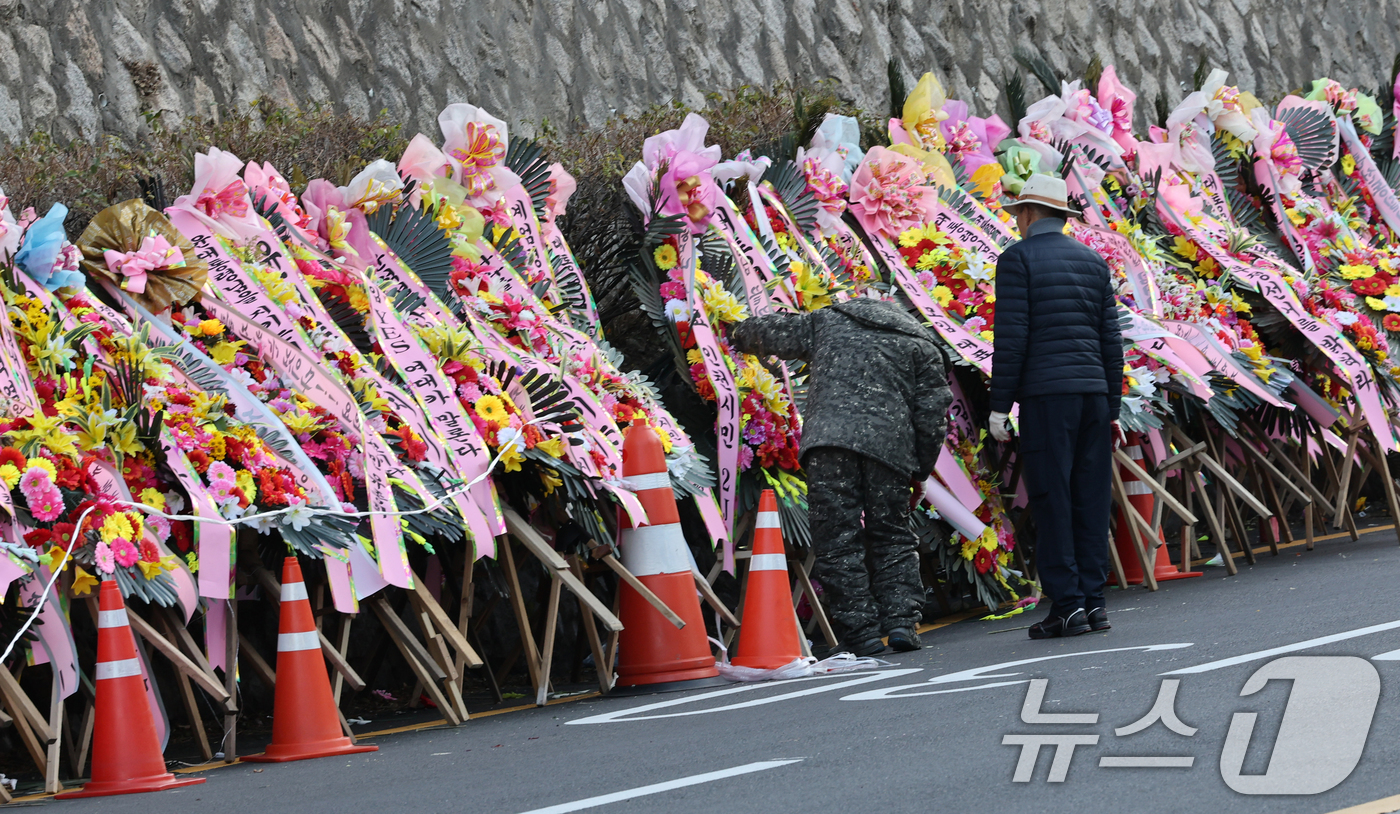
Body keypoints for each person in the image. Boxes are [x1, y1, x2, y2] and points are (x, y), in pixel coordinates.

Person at [730, 296, 951, 656]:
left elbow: (772, 332)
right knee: (891, 534)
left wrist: (735, 333)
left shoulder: (828, 322)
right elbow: (931, 417)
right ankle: (901, 623)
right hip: (889, 449)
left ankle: (860, 632)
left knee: (837, 538)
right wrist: (920, 470)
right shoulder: (920, 347)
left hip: (829, 444)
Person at [988, 174, 1125, 640]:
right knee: (1090, 498)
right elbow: (1112, 340)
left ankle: (1066, 606)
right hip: (1092, 394)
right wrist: (1113, 406)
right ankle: (1094, 602)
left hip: (1047, 396)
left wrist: (998, 405)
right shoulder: (1091, 261)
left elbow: (1011, 339)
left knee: (1053, 500)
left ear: (1028, 214)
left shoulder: (1017, 259)